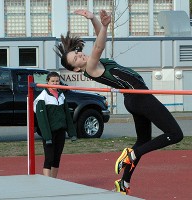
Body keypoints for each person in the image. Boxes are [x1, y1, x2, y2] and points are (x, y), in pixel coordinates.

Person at [54, 9, 184, 194]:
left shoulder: (93, 61)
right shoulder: (90, 68)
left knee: (143, 140)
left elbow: (100, 38)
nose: (80, 55)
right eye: (76, 58)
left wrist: (95, 20)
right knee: (175, 134)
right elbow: (99, 46)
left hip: (134, 99)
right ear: (76, 69)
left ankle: (124, 183)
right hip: (139, 98)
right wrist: (104, 25)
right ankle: (132, 154)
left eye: (78, 53)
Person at [34, 71, 76, 178]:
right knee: (49, 158)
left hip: (60, 131)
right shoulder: (42, 98)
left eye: (57, 81)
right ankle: (47, 182)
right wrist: (47, 136)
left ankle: (54, 180)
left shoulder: (61, 96)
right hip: (50, 132)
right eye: (52, 81)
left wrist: (72, 133)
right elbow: (42, 120)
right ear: (47, 82)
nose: (55, 83)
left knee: (57, 158)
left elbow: (67, 115)